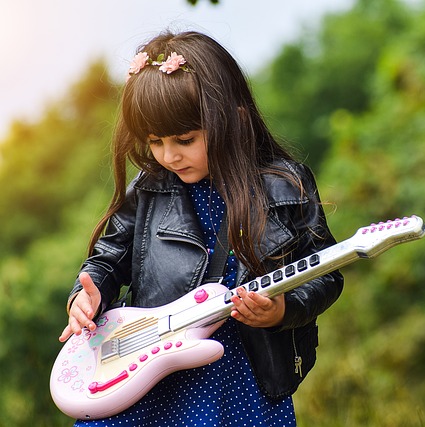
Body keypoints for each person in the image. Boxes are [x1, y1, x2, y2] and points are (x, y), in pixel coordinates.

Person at [58, 30, 344, 426]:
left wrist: (281, 309)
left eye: (185, 139)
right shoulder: (151, 186)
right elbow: (108, 258)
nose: (169, 155)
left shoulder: (285, 186)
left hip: (243, 374)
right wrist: (85, 294)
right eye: (155, 141)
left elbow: (324, 275)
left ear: (235, 119)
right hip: (149, 371)